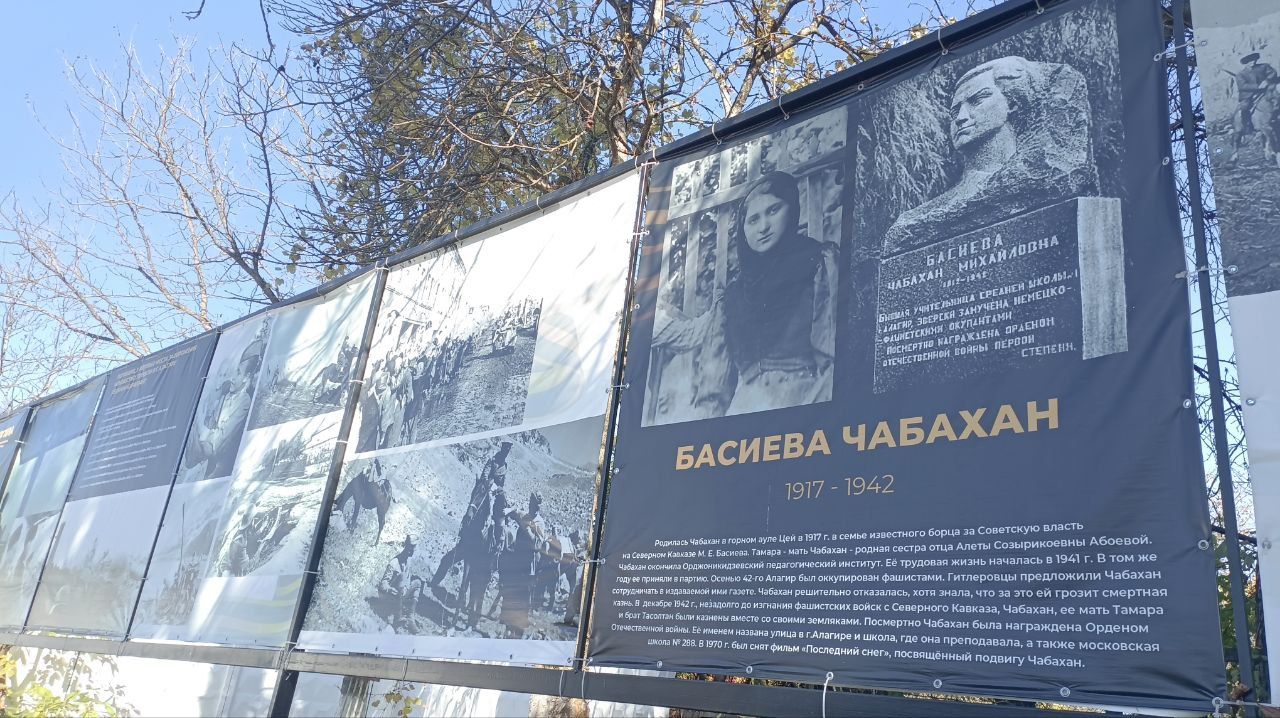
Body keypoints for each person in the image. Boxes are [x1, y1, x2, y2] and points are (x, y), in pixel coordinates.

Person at [651, 171, 836, 419]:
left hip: (801, 407)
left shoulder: (817, 264)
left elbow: (832, 362)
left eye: (773, 210)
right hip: (743, 417)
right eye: (753, 220)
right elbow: (713, 393)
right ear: (743, 230)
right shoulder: (732, 298)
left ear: (792, 210)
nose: (764, 227)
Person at [882, 56, 1098, 255]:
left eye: (977, 100)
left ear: (1012, 103)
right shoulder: (917, 217)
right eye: (955, 111)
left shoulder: (1046, 175)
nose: (961, 118)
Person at [429, 441, 512, 589]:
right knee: (477, 501)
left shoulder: (505, 466)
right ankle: (467, 524)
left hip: (496, 492)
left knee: (501, 513)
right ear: (502, 448)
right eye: (505, 449)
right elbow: (485, 475)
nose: (506, 451)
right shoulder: (493, 460)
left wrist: (499, 490)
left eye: (508, 450)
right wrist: (490, 484)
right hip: (486, 488)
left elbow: (502, 483)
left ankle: (496, 547)